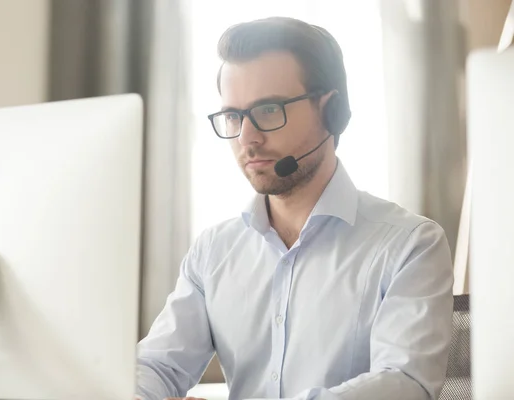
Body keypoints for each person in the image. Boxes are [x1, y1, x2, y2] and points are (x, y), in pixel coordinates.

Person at [135, 16, 454, 400]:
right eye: (233, 116)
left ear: (332, 111)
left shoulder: (410, 246)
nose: (246, 138)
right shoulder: (213, 252)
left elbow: (406, 384)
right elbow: (157, 366)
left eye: (268, 110)